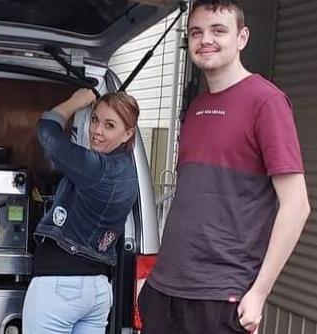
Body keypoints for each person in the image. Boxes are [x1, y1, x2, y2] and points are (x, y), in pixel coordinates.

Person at [139, 1, 311, 334]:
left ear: (242, 37)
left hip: (221, 296)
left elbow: (296, 205)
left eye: (218, 30)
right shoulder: (197, 108)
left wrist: (259, 293)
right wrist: (153, 282)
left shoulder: (266, 102)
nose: (206, 40)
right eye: (196, 32)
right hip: (165, 291)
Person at [22, 88, 140, 334]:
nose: (96, 131)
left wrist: (76, 102)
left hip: (61, 287)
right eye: (95, 119)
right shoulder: (129, 172)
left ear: (128, 133)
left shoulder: (96, 168)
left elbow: (47, 131)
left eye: (109, 126)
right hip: (98, 291)